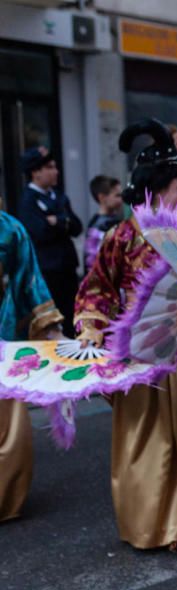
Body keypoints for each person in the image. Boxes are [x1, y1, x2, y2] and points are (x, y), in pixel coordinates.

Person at [75, 118, 177, 555]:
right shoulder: (120, 237)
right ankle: (145, 520)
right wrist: (91, 327)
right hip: (137, 353)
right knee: (143, 442)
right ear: (157, 189)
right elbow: (97, 288)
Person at [0, 208, 63, 522]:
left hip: (3, 343)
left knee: (9, 433)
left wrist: (51, 331)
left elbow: (29, 282)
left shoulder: (10, 230)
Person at [18, 147, 83, 337]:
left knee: (72, 314)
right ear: (35, 172)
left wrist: (58, 221)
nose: (55, 171)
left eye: (54, 166)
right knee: (55, 321)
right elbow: (40, 232)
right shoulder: (28, 200)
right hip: (48, 268)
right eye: (49, 167)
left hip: (67, 265)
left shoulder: (59, 196)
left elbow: (77, 226)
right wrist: (63, 224)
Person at [84, 175, 124, 272]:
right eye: (117, 195)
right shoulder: (99, 226)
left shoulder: (115, 220)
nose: (121, 199)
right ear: (102, 198)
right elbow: (92, 262)